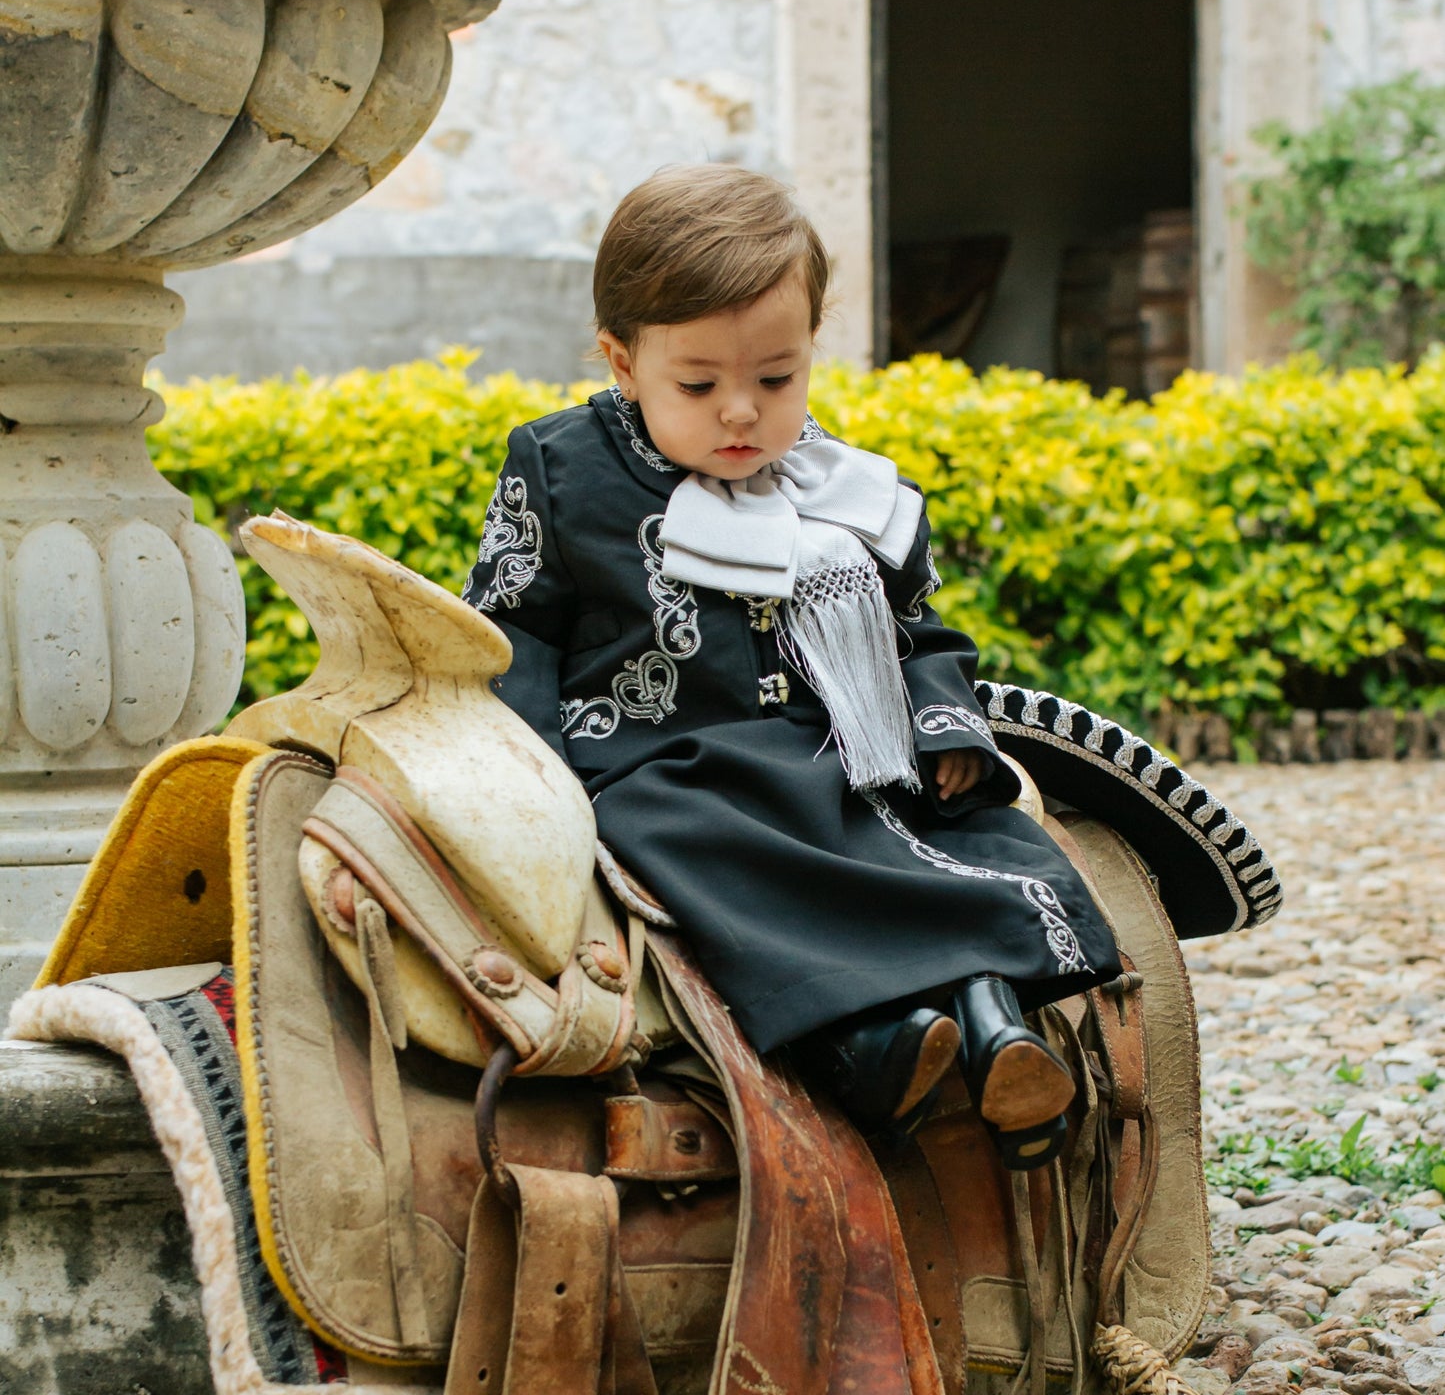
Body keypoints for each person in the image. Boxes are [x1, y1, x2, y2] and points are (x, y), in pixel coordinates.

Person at [463, 166, 1121, 1164]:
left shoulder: (845, 491)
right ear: (621, 359)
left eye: (776, 378)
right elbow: (514, 629)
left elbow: (915, 629)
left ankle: (995, 1030)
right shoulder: (561, 471)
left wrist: (941, 721)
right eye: (699, 384)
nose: (741, 412)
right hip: (666, 763)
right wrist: (533, 781)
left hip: (832, 747)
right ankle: (889, 1041)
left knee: (952, 832)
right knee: (691, 844)